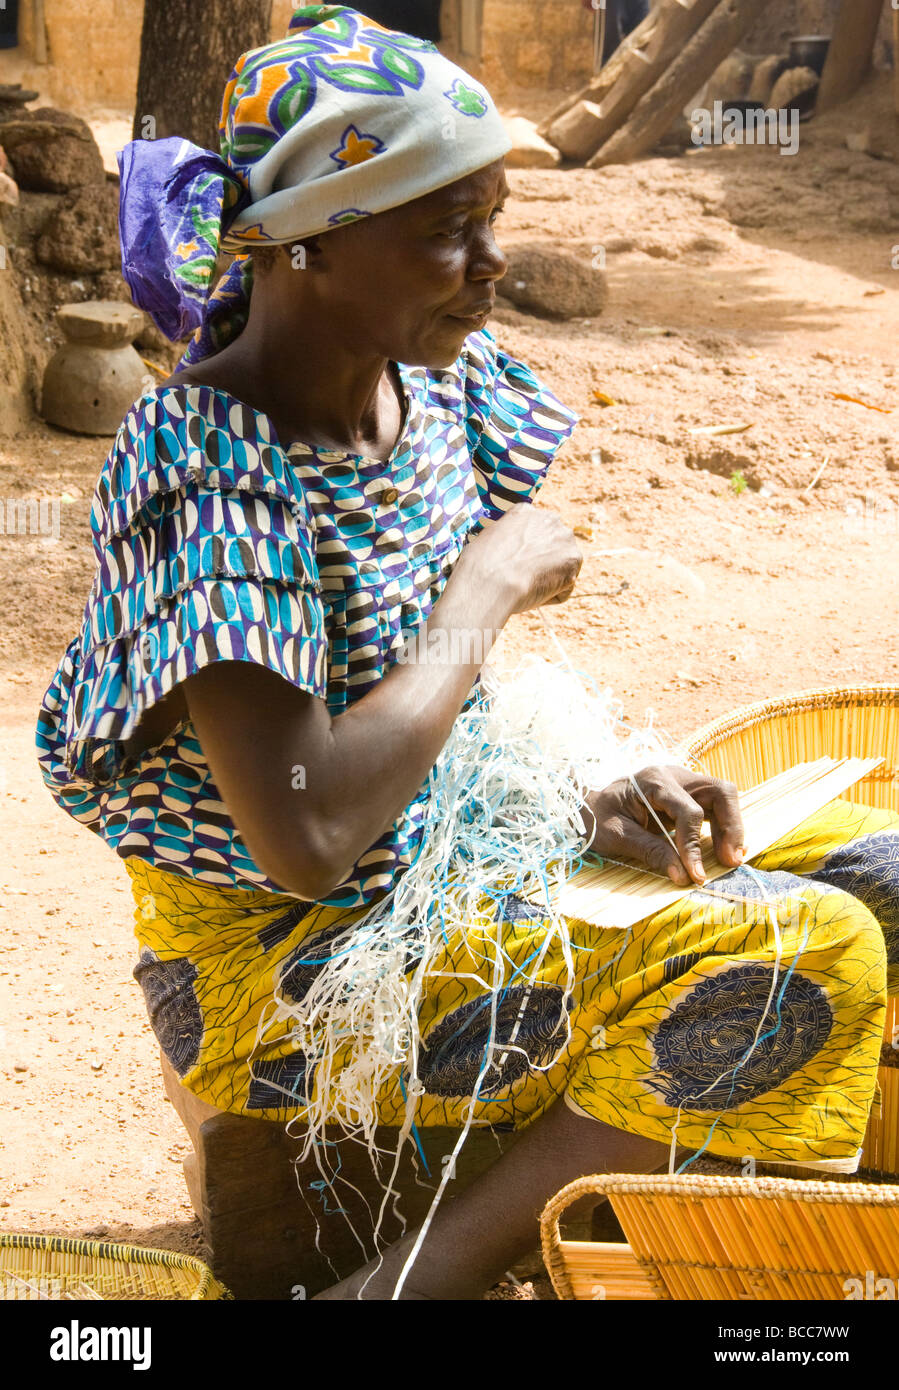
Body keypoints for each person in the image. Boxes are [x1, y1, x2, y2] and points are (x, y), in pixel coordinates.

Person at [37, 5, 898, 1300]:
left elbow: (426, 742)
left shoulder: (423, 384)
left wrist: (576, 798)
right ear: (301, 248)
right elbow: (309, 832)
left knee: (883, 868)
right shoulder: (211, 470)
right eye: (444, 230)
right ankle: (404, 1284)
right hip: (292, 969)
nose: (492, 262)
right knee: (810, 953)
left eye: (492, 215)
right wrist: (481, 590)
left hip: (433, 867)